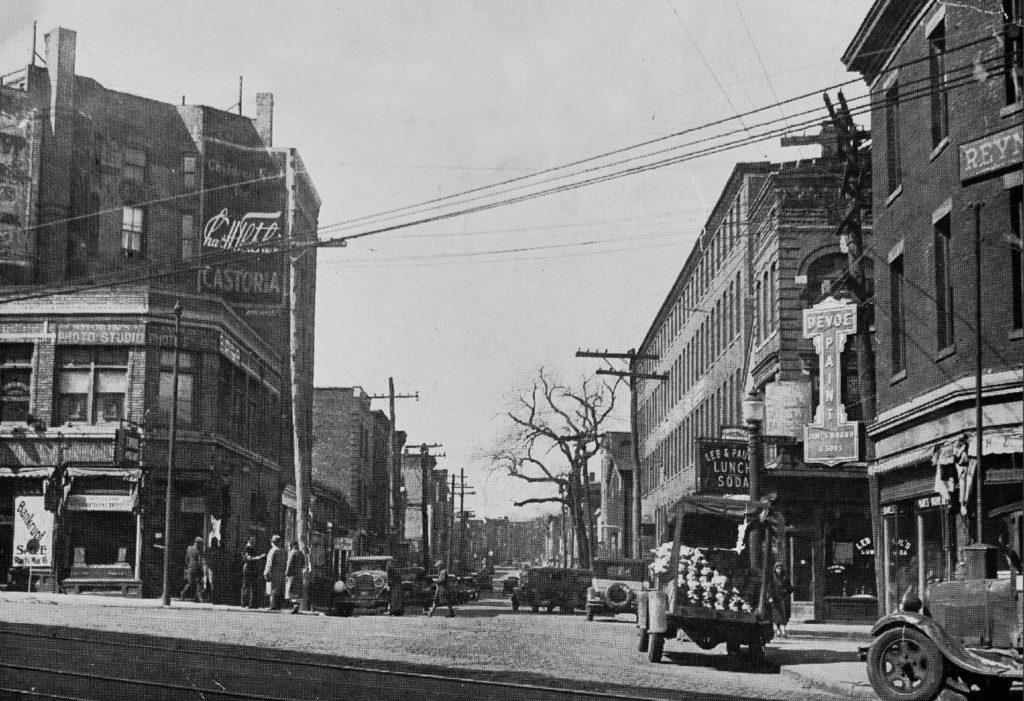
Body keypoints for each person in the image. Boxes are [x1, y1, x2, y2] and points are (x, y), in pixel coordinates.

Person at [769, 561, 794, 637]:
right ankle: (777, 631)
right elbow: (769, 588)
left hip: (783, 598)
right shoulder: (772, 577)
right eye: (777, 569)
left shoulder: (785, 577)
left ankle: (783, 631)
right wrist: (770, 597)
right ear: (775, 569)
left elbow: (790, 588)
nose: (779, 570)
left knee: (783, 615)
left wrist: (786, 590)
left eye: (780, 569)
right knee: (776, 615)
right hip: (775, 598)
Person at [240, 536, 266, 609]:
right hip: (248, 568)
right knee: (247, 586)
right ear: (248, 540)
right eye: (251, 540)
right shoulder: (247, 548)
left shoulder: (251, 548)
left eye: (254, 540)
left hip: (252, 568)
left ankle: (251, 603)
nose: (253, 541)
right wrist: (259, 557)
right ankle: (245, 603)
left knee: (252, 586)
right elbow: (249, 558)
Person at [264, 535, 287, 610]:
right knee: (279, 589)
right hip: (281, 573)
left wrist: (266, 572)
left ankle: (272, 605)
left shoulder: (273, 551)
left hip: (273, 572)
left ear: (272, 542)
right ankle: (279, 606)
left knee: (272, 589)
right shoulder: (284, 551)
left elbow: (270, 563)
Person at [285, 540, 308, 614]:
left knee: (292, 591)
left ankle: (294, 607)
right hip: (299, 574)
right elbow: (303, 564)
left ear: (293, 545)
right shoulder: (301, 553)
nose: (289, 547)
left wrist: (287, 573)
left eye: (290, 545)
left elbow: (289, 564)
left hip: (292, 575)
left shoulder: (292, 553)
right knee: (298, 591)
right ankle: (296, 607)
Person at [180, 536, 205, 603]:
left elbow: (186, 559)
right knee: (198, 583)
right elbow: (200, 561)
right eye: (200, 543)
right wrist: (201, 569)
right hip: (196, 568)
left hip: (190, 568)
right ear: (198, 543)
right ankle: (199, 598)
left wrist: (188, 566)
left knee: (190, 583)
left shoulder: (189, 549)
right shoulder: (198, 550)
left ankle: (183, 593)